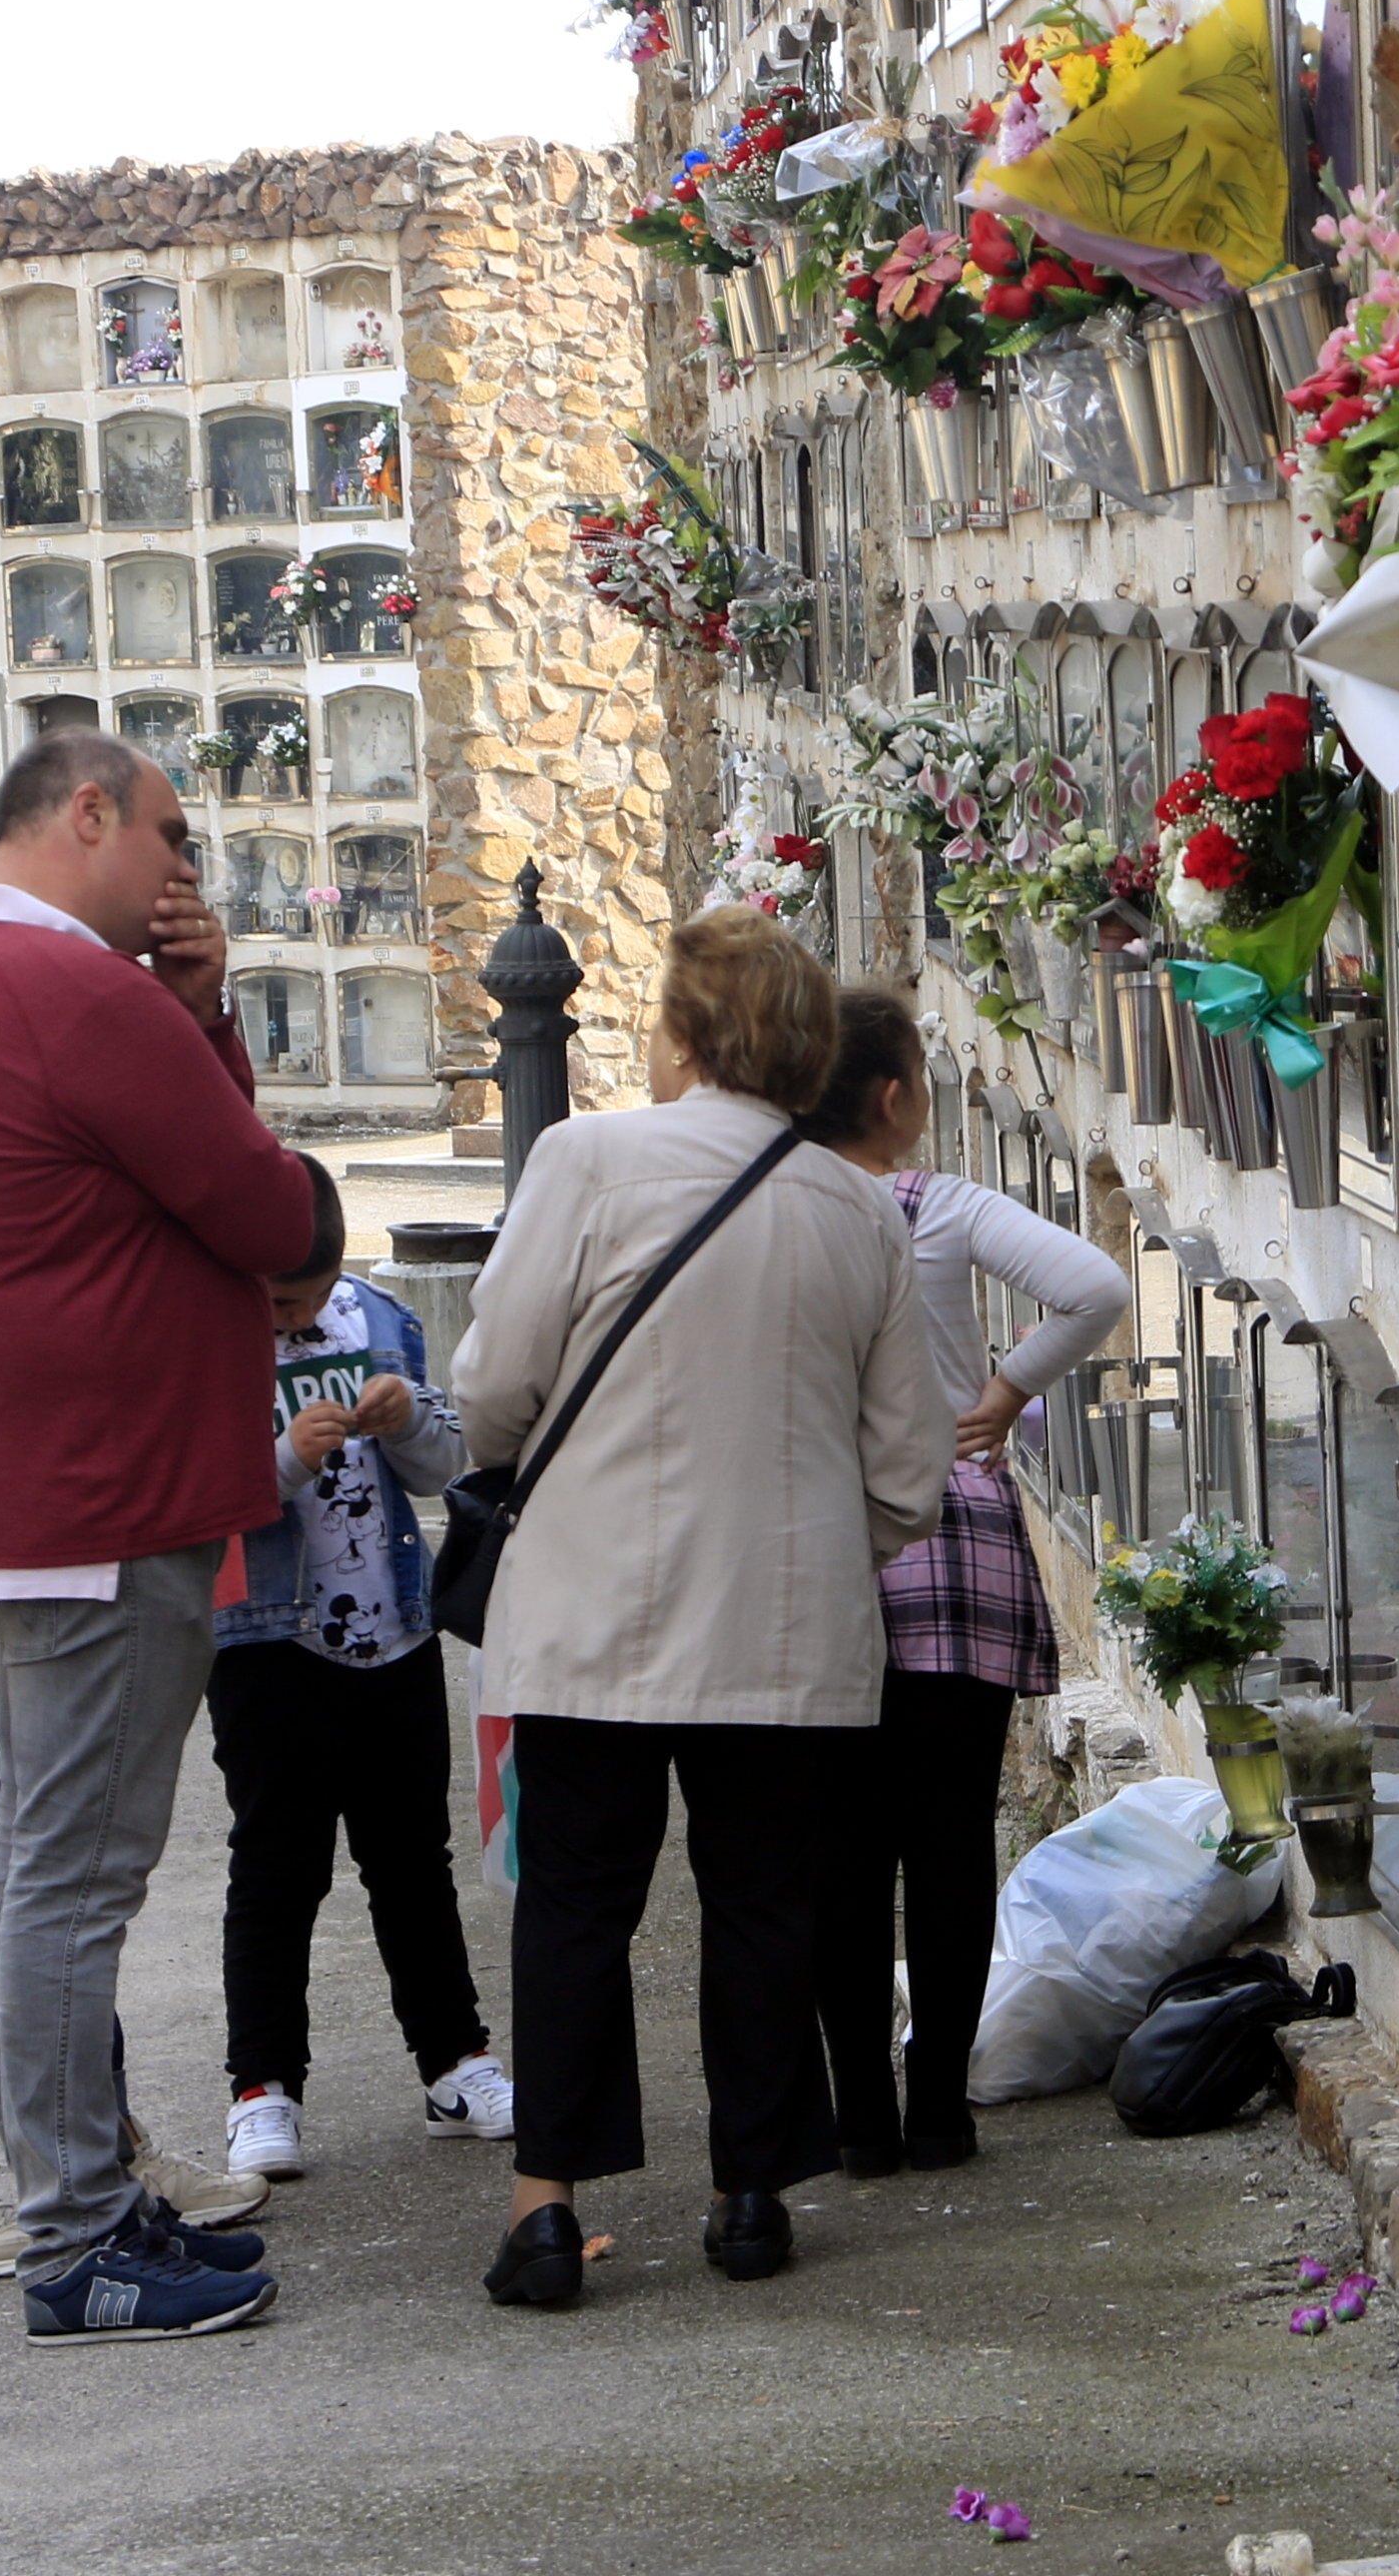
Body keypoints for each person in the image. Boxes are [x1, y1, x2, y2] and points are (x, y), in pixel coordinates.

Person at [0, 729, 313, 2346]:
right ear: (86, 813)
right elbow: (270, 1211)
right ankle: (73, 2238)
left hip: (51, 1493)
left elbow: (217, 1189)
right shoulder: (59, 988)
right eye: (171, 837)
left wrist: (191, 1018)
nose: (187, 874)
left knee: (62, 1870)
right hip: (101, 1497)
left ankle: (87, 2212)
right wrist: (201, 1023)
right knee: (72, 1878)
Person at [450, 907, 948, 2311]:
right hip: (783, 1634)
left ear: (679, 1034)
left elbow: (492, 1385)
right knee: (763, 1904)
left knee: (573, 1907)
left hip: (590, 1609)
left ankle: (547, 2206)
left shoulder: (584, 1159)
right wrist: (798, 1546)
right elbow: (907, 1471)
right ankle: (748, 2195)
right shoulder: (858, 1209)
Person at [795, 988, 1130, 2172]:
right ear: (892, 1098)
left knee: (838, 1847)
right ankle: (939, 2100)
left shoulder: (778, 1215)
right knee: (948, 1836)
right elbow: (1095, 1283)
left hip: (824, 1552)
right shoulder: (938, 1208)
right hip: (954, 1540)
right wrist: (1006, 1389)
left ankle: (859, 2120)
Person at [208, 1158, 518, 2182]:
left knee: (409, 1859)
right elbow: (202, 1496)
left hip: (392, 1631)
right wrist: (289, 1453)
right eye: (270, 1300)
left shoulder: (378, 1318)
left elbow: (443, 1469)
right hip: (267, 1640)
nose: (286, 1319)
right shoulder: (207, 1331)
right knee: (276, 1866)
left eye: (301, 1300)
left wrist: (411, 1421)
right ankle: (263, 2085)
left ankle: (454, 2061)